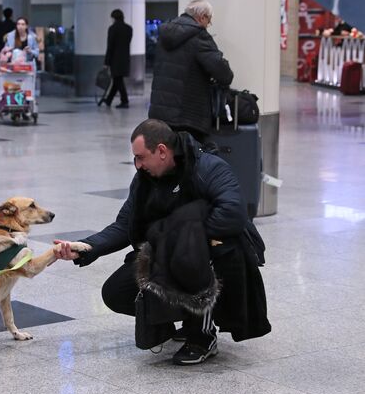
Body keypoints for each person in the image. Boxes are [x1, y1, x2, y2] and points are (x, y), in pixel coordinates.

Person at [54, 119, 270, 365]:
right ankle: (184, 319)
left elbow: (233, 213)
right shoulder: (144, 180)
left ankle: (202, 336)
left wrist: (178, 236)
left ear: (162, 152)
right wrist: (84, 248)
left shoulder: (208, 168)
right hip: (165, 252)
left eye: (141, 157)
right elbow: (125, 224)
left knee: (193, 256)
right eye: (135, 158)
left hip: (215, 253)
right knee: (116, 292)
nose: (137, 165)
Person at [148, 0, 233, 143]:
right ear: (202, 17)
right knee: (192, 160)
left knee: (166, 159)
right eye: (209, 20)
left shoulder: (164, 34)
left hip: (160, 114)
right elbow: (224, 75)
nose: (208, 25)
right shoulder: (199, 36)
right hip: (188, 116)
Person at [99, 9, 133, 109]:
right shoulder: (129, 28)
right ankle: (109, 100)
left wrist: (106, 62)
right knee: (117, 79)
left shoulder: (113, 28)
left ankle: (125, 100)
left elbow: (110, 46)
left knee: (118, 80)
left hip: (115, 59)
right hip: (125, 58)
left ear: (114, 17)